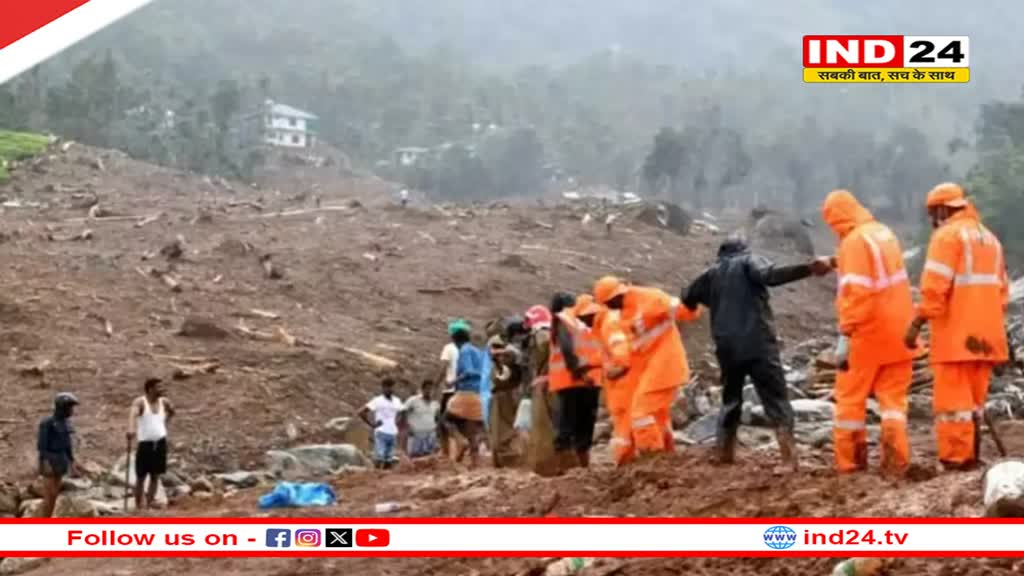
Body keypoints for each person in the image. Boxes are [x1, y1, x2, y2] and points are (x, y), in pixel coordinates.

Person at [682, 238, 831, 471]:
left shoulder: (711, 274)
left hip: (727, 347)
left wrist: (709, 303)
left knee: (731, 399)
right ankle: (788, 459)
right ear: (743, 250)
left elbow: (687, 297)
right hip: (758, 343)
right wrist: (808, 268)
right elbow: (771, 275)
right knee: (775, 398)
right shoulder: (749, 261)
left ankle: (724, 453)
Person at [904, 182, 1009, 470]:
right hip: (987, 336)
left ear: (942, 209)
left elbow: (935, 288)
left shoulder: (947, 236)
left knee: (953, 405)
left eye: (932, 213)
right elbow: (1002, 293)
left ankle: (956, 459)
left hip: (956, 337)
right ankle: (971, 455)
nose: (931, 219)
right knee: (974, 403)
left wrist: (917, 322)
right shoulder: (990, 239)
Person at [822, 190, 916, 475]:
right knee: (893, 404)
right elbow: (878, 270)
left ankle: (850, 464)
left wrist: (845, 335)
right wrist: (836, 261)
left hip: (868, 334)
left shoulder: (853, 242)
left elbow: (858, 292)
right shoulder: (882, 233)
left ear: (836, 219)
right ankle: (896, 463)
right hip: (901, 332)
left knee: (850, 399)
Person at [594, 277, 700, 458]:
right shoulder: (622, 315)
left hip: (666, 365)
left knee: (640, 413)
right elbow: (632, 348)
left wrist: (691, 300)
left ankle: (652, 457)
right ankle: (666, 454)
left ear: (618, 295)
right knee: (656, 415)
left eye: (610, 302)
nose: (609, 307)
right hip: (651, 370)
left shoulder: (650, 299)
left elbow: (686, 312)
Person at [549, 292, 603, 471]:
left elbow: (566, 347)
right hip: (591, 380)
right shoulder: (591, 318)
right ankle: (582, 466)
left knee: (566, 425)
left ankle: (566, 468)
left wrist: (577, 371)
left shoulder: (564, 319)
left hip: (570, 380)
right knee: (585, 426)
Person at [523, 304, 561, 476]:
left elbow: (544, 349)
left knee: (543, 427)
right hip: (552, 384)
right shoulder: (553, 334)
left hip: (545, 386)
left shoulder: (542, 335)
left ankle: (547, 465)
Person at [444, 320, 487, 468]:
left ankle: (460, 441)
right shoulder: (478, 351)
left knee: (446, 420)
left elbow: (468, 372)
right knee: (471, 430)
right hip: (478, 393)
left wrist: (453, 381)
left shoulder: (464, 350)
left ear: (454, 338)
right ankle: (475, 462)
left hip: (466, 391)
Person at [128, 378, 176, 510]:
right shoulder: (140, 402)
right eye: (159, 387)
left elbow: (172, 410)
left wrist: (165, 423)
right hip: (145, 444)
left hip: (160, 443)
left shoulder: (164, 402)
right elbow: (133, 414)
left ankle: (148, 505)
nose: (162, 389)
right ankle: (139, 506)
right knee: (141, 477)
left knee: (155, 476)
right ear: (150, 389)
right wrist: (131, 429)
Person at [37, 393, 79, 518]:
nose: (72, 410)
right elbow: (41, 446)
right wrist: (46, 463)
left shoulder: (66, 423)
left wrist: (72, 461)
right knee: (48, 496)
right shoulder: (47, 423)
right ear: (62, 407)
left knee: (54, 495)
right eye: (70, 407)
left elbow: (67, 444)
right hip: (50, 460)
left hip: (61, 460)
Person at [488, 334, 524, 467]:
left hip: (505, 397)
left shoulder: (507, 359)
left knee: (504, 431)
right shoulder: (511, 358)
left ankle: (509, 460)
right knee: (504, 430)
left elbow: (502, 379)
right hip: (508, 396)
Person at [359, 378, 404, 469]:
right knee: (379, 458)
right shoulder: (378, 400)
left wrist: (398, 422)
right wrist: (372, 424)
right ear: (383, 388)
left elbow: (403, 412)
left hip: (393, 433)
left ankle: (386, 477)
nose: (390, 389)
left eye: (392, 387)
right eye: (387, 387)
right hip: (381, 432)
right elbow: (361, 412)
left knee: (389, 459)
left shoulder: (397, 400)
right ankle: (376, 475)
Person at [437, 321, 463, 456]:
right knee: (460, 423)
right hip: (465, 390)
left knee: (443, 422)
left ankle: (445, 452)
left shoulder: (449, 348)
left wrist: (436, 383)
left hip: (450, 390)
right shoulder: (469, 349)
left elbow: (443, 367)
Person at [401, 380, 441, 458]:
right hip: (415, 433)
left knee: (429, 456)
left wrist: (437, 430)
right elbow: (403, 411)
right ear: (422, 389)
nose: (429, 391)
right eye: (427, 388)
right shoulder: (413, 400)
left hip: (430, 434)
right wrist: (407, 426)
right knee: (414, 456)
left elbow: (438, 418)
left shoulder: (436, 404)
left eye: (431, 389)